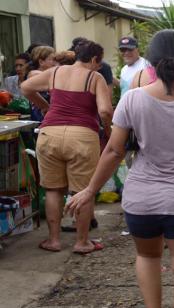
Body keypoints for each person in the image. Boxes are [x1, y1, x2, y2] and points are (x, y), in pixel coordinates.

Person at [65, 30, 174, 307]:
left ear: (150, 61)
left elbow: (115, 151)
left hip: (141, 200)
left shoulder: (132, 99)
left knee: (148, 258)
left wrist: (90, 190)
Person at [21, 40, 113, 254]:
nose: (99, 67)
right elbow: (106, 111)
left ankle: (53, 240)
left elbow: (26, 87)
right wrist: (107, 130)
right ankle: (82, 242)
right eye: (99, 63)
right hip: (81, 137)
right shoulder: (94, 77)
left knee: (53, 188)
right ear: (93, 60)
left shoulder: (56, 72)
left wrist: (46, 106)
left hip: (49, 134)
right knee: (82, 191)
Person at [28, 45, 57, 121]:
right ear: (41, 62)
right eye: (52, 59)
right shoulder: (34, 73)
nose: (55, 63)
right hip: (40, 117)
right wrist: (46, 106)